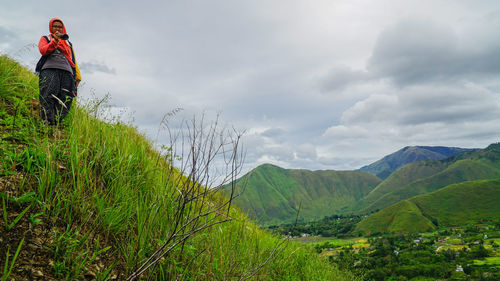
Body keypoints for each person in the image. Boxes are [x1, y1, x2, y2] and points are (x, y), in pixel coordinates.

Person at [38, 18, 81, 126]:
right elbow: (43, 50)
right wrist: (55, 41)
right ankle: (47, 121)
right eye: (55, 26)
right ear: (51, 27)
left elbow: (73, 59)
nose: (57, 29)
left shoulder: (68, 43)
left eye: (60, 27)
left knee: (66, 97)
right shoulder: (46, 38)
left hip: (67, 72)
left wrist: (77, 76)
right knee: (48, 94)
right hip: (49, 69)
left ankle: (57, 121)